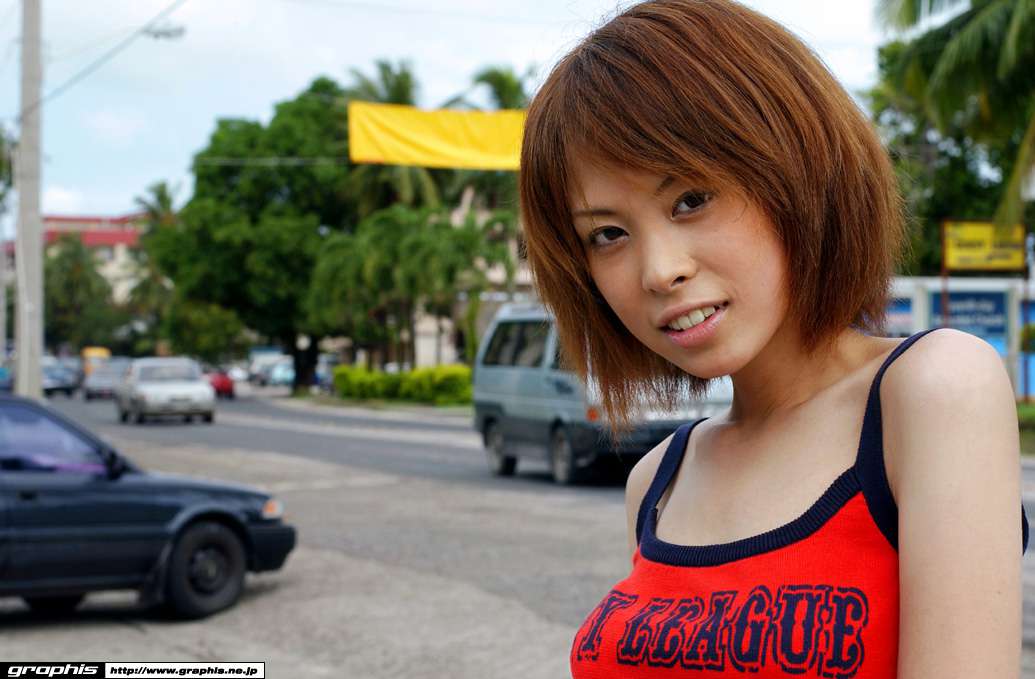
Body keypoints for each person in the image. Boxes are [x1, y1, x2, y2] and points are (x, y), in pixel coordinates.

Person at [517, 1, 1028, 677]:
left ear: (797, 168)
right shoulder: (657, 480)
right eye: (607, 234)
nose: (659, 270)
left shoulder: (930, 390)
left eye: (690, 199)